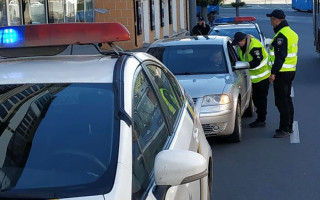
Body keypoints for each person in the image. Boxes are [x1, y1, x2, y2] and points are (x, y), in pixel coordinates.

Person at [266, 9, 298, 138]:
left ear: (277, 20)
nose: (270, 22)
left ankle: (284, 128)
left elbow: (280, 57)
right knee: (287, 99)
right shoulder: (291, 33)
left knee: (281, 101)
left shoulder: (281, 35)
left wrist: (273, 73)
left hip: (282, 72)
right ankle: (288, 126)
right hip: (290, 71)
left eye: (271, 19)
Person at [232, 32, 270, 128]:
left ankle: (262, 120)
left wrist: (246, 65)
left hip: (262, 76)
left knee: (260, 100)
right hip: (254, 78)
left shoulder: (254, 46)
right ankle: (260, 118)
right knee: (256, 99)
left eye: (238, 42)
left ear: (243, 40)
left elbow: (256, 62)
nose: (237, 44)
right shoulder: (242, 47)